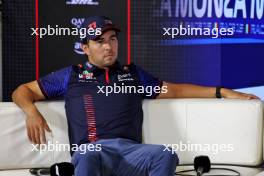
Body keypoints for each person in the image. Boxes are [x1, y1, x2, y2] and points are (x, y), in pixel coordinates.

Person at [12, 16, 259, 176]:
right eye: (99, 41)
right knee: (87, 155)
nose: (108, 46)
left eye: (112, 39)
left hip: (131, 153)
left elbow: (174, 90)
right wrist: (31, 112)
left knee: (165, 153)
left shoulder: (133, 75)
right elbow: (22, 91)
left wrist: (223, 91)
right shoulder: (71, 76)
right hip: (92, 151)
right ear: (85, 48)